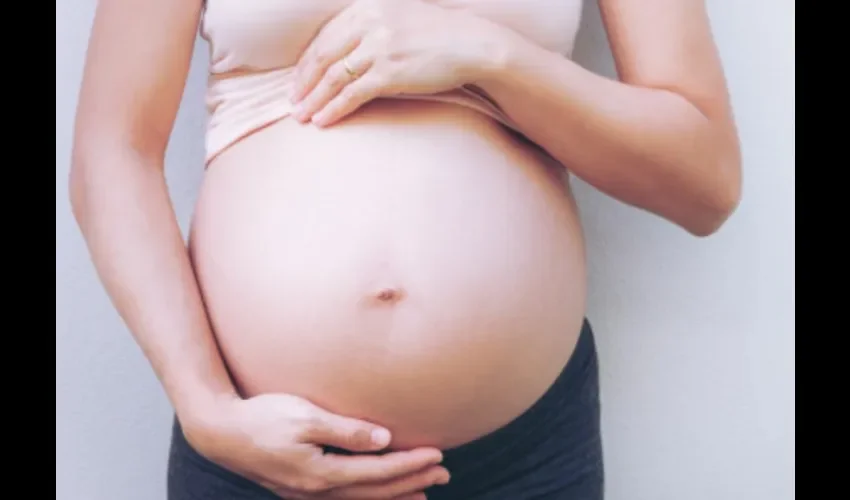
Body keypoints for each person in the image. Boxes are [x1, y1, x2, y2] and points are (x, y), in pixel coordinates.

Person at [68, 0, 741, 498]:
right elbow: (113, 149)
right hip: (257, 449)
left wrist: (490, 56)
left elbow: (704, 181)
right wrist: (205, 406)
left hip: (521, 458)